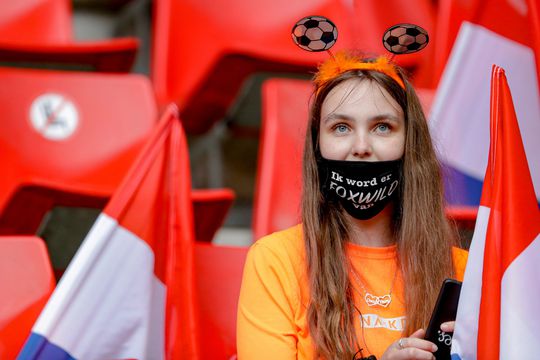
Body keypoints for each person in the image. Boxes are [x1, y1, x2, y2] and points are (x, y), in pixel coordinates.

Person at [237, 51, 468, 360]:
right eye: (341, 127)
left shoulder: (466, 271)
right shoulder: (274, 262)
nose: (361, 147)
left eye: (383, 127)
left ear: (410, 144)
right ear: (318, 146)